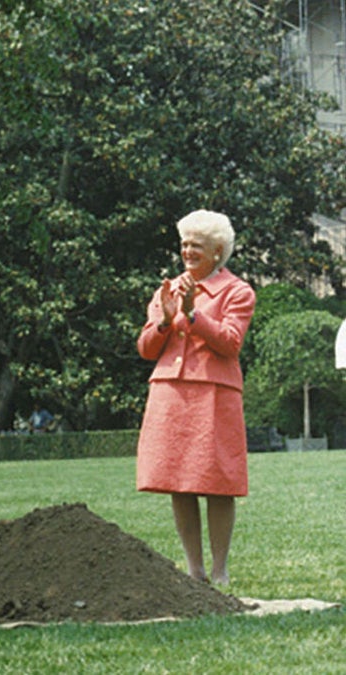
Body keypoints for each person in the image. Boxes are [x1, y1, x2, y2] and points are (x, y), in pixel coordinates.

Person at [136, 209, 255, 586]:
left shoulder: (238, 292)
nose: (187, 251)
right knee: (179, 481)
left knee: (218, 482)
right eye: (184, 244)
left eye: (196, 246)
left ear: (217, 251)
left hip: (214, 397)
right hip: (170, 394)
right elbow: (145, 348)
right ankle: (195, 571)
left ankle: (219, 572)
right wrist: (164, 321)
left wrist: (190, 315)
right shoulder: (166, 289)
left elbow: (230, 343)